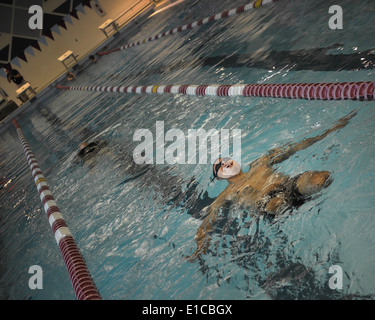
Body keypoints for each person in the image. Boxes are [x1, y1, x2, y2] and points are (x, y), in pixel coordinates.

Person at [188, 110, 357, 260]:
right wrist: (201, 244)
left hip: (290, 186)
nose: (224, 163)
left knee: (321, 177)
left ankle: (309, 199)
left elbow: (294, 148)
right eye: (219, 166)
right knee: (276, 203)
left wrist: (331, 130)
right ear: (219, 178)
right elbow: (209, 218)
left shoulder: (259, 163)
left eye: (226, 160)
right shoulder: (228, 192)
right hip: (268, 204)